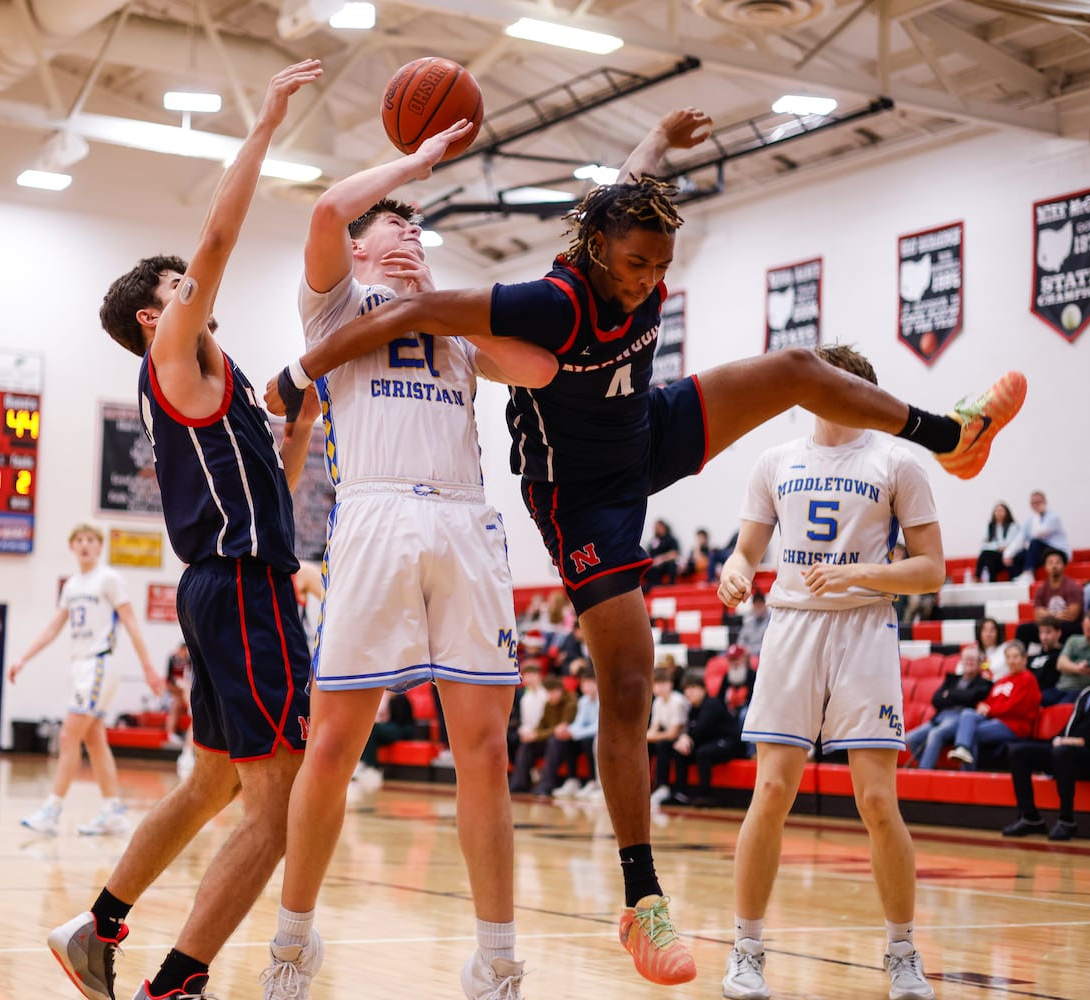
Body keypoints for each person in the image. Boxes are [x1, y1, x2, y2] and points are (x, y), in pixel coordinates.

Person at [264, 108, 1026, 985]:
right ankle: (642, 897)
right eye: (636, 266)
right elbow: (438, 306)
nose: (647, 282)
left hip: (644, 429)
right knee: (629, 675)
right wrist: (296, 375)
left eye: (660, 268)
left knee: (795, 369)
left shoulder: (612, 252)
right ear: (595, 253)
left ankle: (949, 433)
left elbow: (622, 195)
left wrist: (660, 140)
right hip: (578, 498)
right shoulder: (539, 303)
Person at [258, 107, 560, 1000]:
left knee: (485, 749)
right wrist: (413, 161)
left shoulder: (456, 318)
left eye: (418, 228)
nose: (411, 232)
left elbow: (539, 368)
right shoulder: (336, 302)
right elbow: (322, 213)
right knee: (334, 744)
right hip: (378, 516)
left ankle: (498, 958)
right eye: (396, 222)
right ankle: (291, 943)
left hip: (466, 522)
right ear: (361, 248)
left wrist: (458, 301)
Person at [46, 60, 324, 1000]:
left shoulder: (226, 379)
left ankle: (99, 926)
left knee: (211, 786)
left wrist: (305, 435)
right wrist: (266, 120)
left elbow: (270, 498)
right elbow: (220, 229)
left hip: (234, 583)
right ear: (152, 313)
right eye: (180, 283)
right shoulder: (173, 355)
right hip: (240, 594)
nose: (199, 286)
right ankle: (180, 980)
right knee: (276, 807)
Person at [715, 344, 944, 1000]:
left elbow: (932, 569)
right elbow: (747, 549)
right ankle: (747, 949)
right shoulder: (774, 462)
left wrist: (859, 573)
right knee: (772, 793)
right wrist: (736, 572)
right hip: (791, 627)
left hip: (864, 627)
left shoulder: (899, 461)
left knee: (876, 800)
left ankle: (902, 950)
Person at [9, 524, 163, 836]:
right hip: (78, 667)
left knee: (68, 737)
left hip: (98, 665)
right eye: (78, 540)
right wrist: (23, 658)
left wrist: (148, 666)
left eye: (91, 540)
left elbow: (131, 623)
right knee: (93, 739)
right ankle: (113, 812)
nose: (84, 545)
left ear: (100, 546)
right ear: (71, 546)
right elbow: (53, 628)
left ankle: (52, 810)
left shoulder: (109, 579)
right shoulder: (71, 586)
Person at [1003, 661, 1090, 842]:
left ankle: (1066, 820)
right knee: (1018, 752)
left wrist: (1080, 742)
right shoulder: (1088, 695)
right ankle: (1029, 817)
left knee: (1062, 753)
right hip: (1068, 753)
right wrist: (1058, 738)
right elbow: (1072, 724)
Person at [946, 641, 1041, 769]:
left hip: (1014, 726)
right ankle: (962, 749)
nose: (1011, 661)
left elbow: (1014, 707)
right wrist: (981, 705)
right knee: (968, 713)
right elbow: (988, 701)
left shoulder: (1027, 678)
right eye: (1008, 657)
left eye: (1015, 657)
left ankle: (967, 776)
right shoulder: (1002, 680)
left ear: (1024, 659)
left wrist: (989, 710)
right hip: (995, 720)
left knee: (970, 733)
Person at [903, 646, 990, 769]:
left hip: (959, 720)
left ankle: (924, 773)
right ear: (962, 661)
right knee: (911, 738)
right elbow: (936, 699)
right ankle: (930, 768)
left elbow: (971, 697)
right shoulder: (951, 679)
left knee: (935, 734)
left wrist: (949, 694)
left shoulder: (984, 682)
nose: (970, 662)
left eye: (973, 659)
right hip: (939, 718)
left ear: (980, 662)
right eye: (967, 659)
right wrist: (959, 697)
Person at [670, 674, 741, 807]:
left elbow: (702, 728)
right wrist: (684, 739)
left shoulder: (711, 704)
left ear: (703, 689)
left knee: (703, 753)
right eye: (686, 689)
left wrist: (686, 738)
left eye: (692, 688)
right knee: (680, 751)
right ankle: (680, 794)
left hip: (728, 743)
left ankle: (705, 795)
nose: (688, 692)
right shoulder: (693, 709)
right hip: (710, 742)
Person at [540, 672, 601, 799]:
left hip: (598, 736)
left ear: (597, 684)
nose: (587, 687)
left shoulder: (602, 701)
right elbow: (579, 723)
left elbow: (597, 726)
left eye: (590, 683)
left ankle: (593, 781)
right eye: (584, 684)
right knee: (565, 740)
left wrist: (574, 733)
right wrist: (567, 731)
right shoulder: (584, 701)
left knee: (588, 741)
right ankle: (572, 779)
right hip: (584, 734)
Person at [354, 690, 416, 791]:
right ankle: (362, 764)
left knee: (373, 729)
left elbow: (400, 720)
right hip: (385, 728)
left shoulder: (399, 697)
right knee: (368, 729)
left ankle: (371, 768)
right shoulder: (379, 697)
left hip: (401, 728)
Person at [646, 666, 689, 805]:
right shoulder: (657, 702)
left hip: (684, 738)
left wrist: (646, 737)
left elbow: (673, 734)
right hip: (667, 736)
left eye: (663, 683)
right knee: (644, 746)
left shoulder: (677, 701)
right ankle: (644, 784)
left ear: (670, 684)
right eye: (656, 684)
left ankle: (663, 787)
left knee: (662, 745)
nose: (659, 688)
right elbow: (654, 728)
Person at [1005, 490, 1069, 581]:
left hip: (1057, 550)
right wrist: (1008, 554)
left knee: (1034, 543)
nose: (1036, 505)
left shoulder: (1053, 517)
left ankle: (1028, 573)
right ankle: (1016, 580)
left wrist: (1038, 515)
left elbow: (1039, 533)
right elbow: (1020, 538)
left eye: (1039, 502)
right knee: (1017, 556)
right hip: (1040, 552)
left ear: (1045, 502)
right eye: (1033, 503)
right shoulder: (1030, 520)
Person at [1056, 611, 1090, 703]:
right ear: (1082, 627)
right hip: (1060, 688)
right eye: (1089, 630)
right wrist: (1078, 668)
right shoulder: (1073, 640)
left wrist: (1071, 667)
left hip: (1084, 690)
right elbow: (1060, 664)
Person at [1027, 616, 1066, 706]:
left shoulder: (1062, 655)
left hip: (1047, 693)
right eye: (1041, 633)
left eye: (1048, 632)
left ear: (1058, 633)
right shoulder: (1034, 656)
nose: (1044, 637)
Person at [974, 502, 1018, 582]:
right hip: (995, 556)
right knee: (989, 561)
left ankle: (977, 577)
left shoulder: (1012, 526)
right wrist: (997, 546)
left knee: (986, 555)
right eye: (996, 511)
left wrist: (992, 544)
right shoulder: (990, 527)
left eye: (1001, 510)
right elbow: (983, 545)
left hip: (1008, 555)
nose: (998, 513)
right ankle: (991, 584)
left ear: (1007, 512)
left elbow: (1009, 544)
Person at [644, 519, 681, 589]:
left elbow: (675, 554)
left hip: (665, 564)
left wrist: (662, 559)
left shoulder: (671, 539)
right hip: (653, 565)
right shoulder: (653, 541)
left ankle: (670, 585)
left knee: (671, 565)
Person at [735, 591, 770, 656]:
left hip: (763, 655)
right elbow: (740, 642)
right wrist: (743, 650)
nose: (758, 606)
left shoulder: (770, 622)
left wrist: (750, 651)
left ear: (764, 605)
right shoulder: (748, 623)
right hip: (746, 657)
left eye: (760, 603)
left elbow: (769, 645)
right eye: (756, 604)